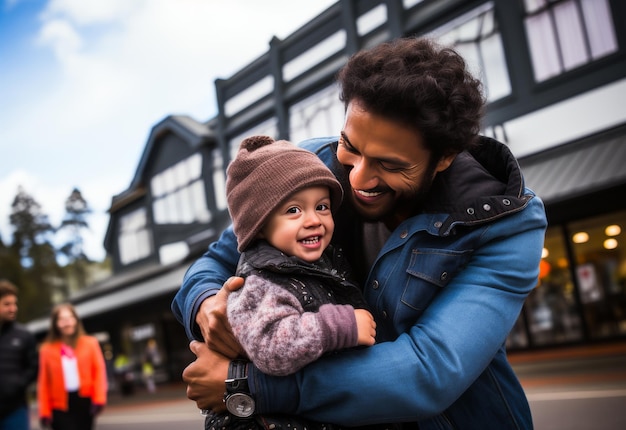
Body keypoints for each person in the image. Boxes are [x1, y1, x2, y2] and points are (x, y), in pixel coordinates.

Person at [172, 37, 548, 430]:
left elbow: (428, 372)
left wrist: (249, 385)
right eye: (350, 146)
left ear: (445, 157)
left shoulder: (507, 221)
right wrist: (207, 305)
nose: (358, 178)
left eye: (389, 164)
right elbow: (216, 260)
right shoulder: (309, 167)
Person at [204, 135, 377, 430]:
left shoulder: (322, 261)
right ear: (259, 226)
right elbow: (273, 348)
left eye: (322, 207)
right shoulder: (260, 282)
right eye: (294, 211)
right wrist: (342, 326)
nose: (313, 220)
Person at [38, 303, 107, 430]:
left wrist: (99, 398)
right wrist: (44, 411)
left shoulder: (90, 343)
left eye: (70, 318)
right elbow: (44, 382)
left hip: (84, 401)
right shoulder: (46, 349)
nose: (67, 323)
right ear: (56, 324)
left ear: (76, 320)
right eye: (62, 320)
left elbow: (99, 371)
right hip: (59, 406)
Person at [0, 280, 38, 430]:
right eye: (7, 304)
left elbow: (33, 367)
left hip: (15, 409)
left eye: (15, 304)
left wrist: (16, 384)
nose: (13, 308)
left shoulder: (24, 335)